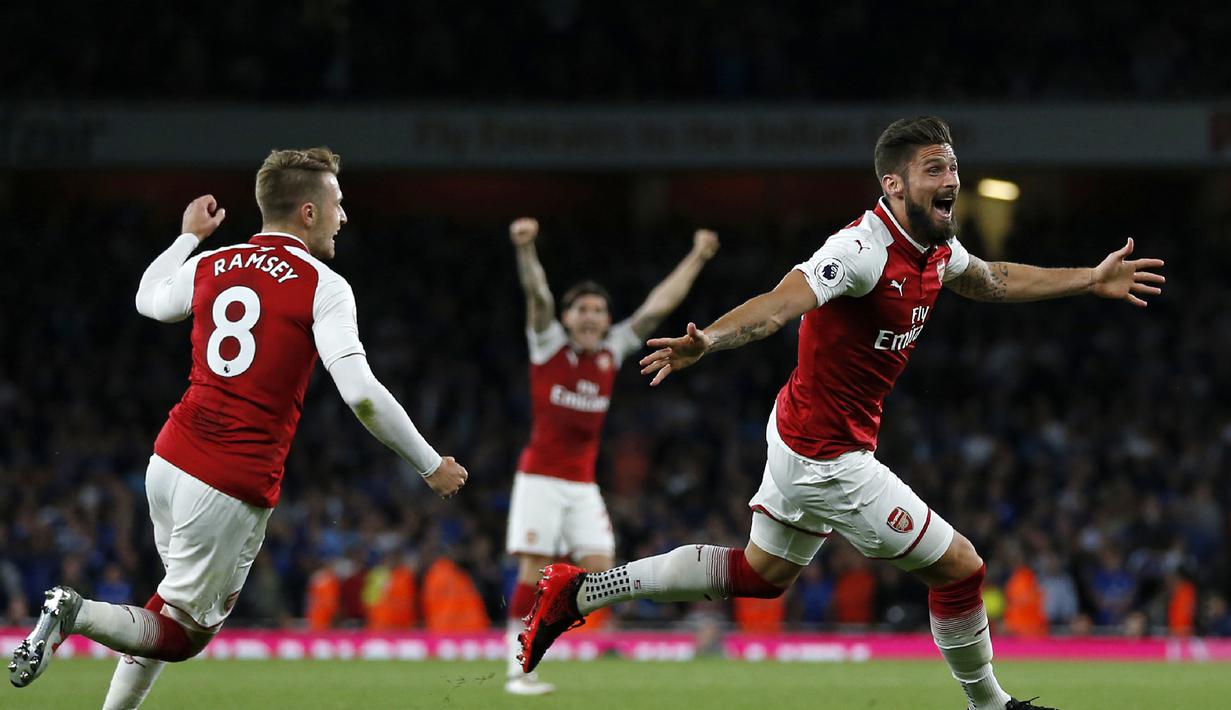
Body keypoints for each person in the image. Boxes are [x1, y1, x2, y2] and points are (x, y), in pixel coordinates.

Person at [518, 117, 1166, 710]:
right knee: (962, 567)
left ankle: (579, 591)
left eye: (953, 167)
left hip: (800, 431)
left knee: (759, 574)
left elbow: (991, 278)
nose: (952, 180)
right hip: (826, 458)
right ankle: (990, 706)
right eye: (934, 169)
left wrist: (1087, 278)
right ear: (894, 183)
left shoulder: (936, 248)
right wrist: (708, 340)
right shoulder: (860, 250)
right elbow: (779, 303)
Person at [8, 148, 469, 708]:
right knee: (181, 636)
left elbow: (148, 300)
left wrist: (185, 237)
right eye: (337, 204)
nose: (343, 217)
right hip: (229, 480)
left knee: (160, 613)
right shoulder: (324, 285)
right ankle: (72, 612)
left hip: (169, 458)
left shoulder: (211, 263)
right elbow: (362, 395)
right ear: (307, 212)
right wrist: (429, 463)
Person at [503, 217, 719, 694]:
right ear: (566, 317)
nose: (591, 317)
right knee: (532, 567)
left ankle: (563, 634)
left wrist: (698, 257)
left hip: (582, 484)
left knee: (602, 569)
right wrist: (526, 250)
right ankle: (518, 666)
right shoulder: (547, 344)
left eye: (599, 311)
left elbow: (659, 305)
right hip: (539, 476)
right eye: (581, 309)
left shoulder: (610, 350)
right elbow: (537, 296)